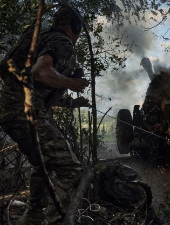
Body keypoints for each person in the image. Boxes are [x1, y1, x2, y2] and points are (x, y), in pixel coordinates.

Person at [0, 6, 89, 225]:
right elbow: (40, 73)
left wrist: (72, 102)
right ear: (75, 26)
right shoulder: (62, 41)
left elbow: (40, 90)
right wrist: (73, 83)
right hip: (25, 112)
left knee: (44, 164)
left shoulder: (44, 39)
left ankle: (33, 215)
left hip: (11, 110)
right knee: (71, 169)